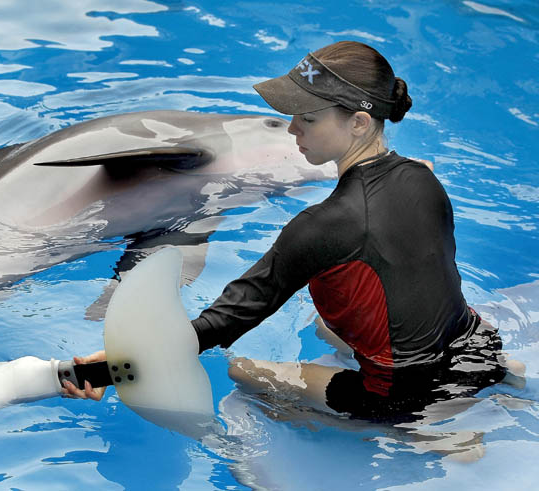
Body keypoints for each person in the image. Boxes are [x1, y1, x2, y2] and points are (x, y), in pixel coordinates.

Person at [63, 41, 522, 423]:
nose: (291, 129)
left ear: (358, 122)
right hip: (477, 346)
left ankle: (424, 433)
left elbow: (225, 320)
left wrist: (112, 368)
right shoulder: (425, 178)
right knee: (325, 324)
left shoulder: (323, 226)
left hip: (403, 394)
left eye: (308, 118)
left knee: (244, 372)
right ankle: (491, 382)